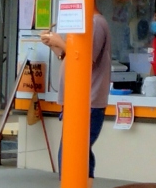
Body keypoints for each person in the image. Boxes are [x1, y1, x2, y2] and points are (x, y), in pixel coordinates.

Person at [40, 12, 111, 178]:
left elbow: (85, 58)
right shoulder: (83, 22)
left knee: (71, 156)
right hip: (75, 100)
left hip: (87, 101)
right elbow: (72, 57)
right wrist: (55, 46)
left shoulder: (95, 23)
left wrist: (60, 42)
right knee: (78, 155)